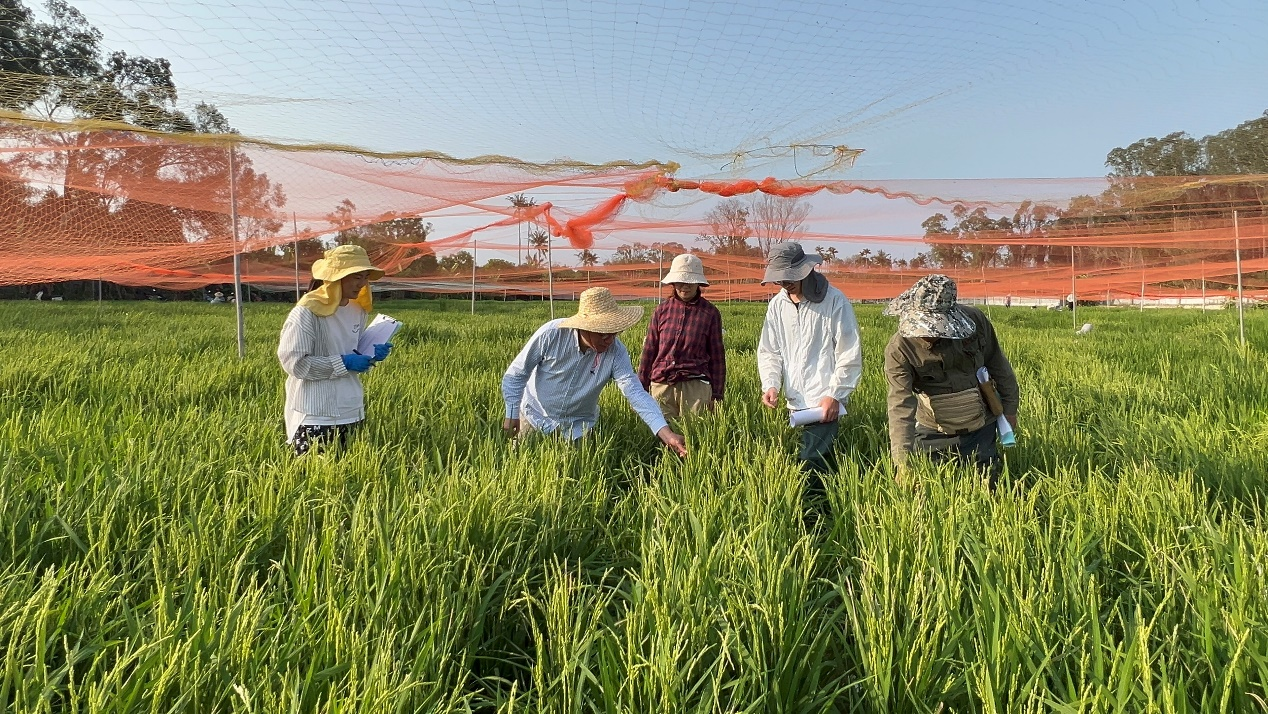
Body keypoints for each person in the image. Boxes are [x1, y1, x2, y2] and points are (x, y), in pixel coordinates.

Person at [502, 286, 688, 457]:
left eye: (614, 332)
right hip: (535, 416)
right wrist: (511, 414)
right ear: (585, 326)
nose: (609, 339)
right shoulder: (552, 335)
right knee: (521, 463)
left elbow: (635, 392)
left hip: (577, 427)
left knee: (578, 475)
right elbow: (516, 374)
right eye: (603, 333)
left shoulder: (616, 352)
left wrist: (666, 433)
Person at [883, 274, 1019, 479]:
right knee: (931, 489)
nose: (929, 333)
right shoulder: (900, 349)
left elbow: (998, 365)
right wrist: (902, 462)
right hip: (933, 430)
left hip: (981, 424)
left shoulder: (976, 322)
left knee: (988, 485)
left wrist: (1009, 409)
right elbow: (899, 404)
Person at [756, 242, 863, 484]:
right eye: (780, 279)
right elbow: (770, 351)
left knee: (812, 462)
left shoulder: (834, 301)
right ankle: (821, 504)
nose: (786, 283)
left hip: (823, 401)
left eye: (790, 277)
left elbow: (849, 352)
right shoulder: (777, 305)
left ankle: (814, 512)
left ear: (806, 270)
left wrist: (835, 394)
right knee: (806, 460)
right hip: (794, 402)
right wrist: (771, 385)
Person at [277, 245, 393, 456]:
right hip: (315, 412)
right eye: (356, 276)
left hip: (351, 408)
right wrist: (344, 362)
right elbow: (295, 363)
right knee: (314, 479)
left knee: (347, 479)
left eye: (365, 277)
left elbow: (352, 350)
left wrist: (371, 353)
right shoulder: (307, 312)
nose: (363, 283)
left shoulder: (357, 309)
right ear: (336, 277)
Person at [638, 253, 725, 418]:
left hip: (695, 386)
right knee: (662, 434)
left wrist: (717, 394)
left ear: (698, 283)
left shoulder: (710, 313)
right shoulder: (661, 311)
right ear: (673, 282)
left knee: (694, 434)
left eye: (690, 282)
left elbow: (717, 357)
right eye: (681, 281)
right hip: (662, 385)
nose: (685, 286)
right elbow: (649, 351)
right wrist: (641, 389)